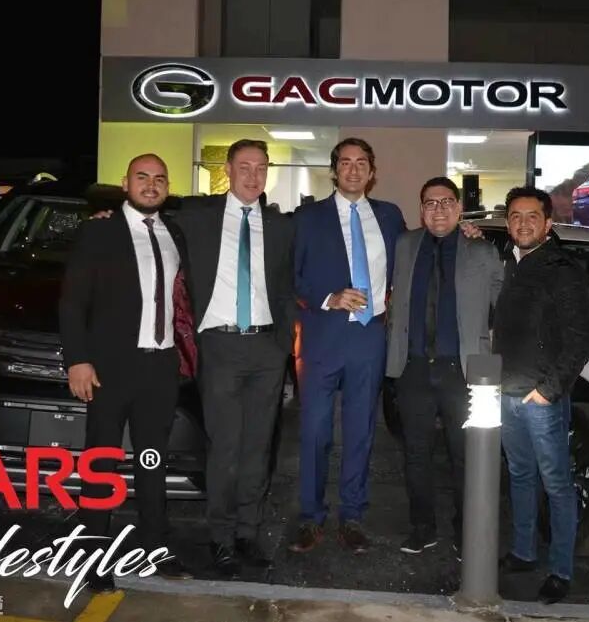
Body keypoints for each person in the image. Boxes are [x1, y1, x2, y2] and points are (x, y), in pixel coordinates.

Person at [59, 154, 192, 592]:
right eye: (142, 177)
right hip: (110, 368)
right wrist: (77, 359)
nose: (151, 185)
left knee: (152, 461)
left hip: (160, 367)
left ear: (167, 187)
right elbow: (73, 301)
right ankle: (92, 557)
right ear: (125, 183)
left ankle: (156, 546)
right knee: (101, 462)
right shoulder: (100, 231)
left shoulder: (175, 233)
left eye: (159, 179)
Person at [175, 139, 296, 578]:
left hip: (266, 348)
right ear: (227, 170)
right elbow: (146, 213)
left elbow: (291, 281)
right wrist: (108, 216)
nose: (252, 175)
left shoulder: (281, 226)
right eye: (244, 166)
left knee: (257, 447)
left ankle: (248, 532)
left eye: (260, 167)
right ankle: (221, 538)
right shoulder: (196, 217)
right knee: (224, 446)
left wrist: (283, 343)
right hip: (220, 346)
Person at [290, 137, 407, 554]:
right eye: (345, 162)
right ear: (334, 170)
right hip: (322, 334)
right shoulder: (308, 218)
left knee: (361, 431)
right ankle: (310, 516)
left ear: (372, 172)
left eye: (361, 163)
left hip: (369, 336)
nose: (353, 170)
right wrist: (328, 297)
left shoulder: (390, 216)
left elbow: (414, 257)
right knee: (315, 430)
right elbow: (290, 275)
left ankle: (352, 516)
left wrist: (464, 232)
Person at [385, 177, 503, 556]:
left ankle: (466, 533)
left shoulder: (482, 251)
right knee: (415, 453)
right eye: (430, 203)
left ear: (459, 208)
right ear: (421, 210)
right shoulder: (405, 245)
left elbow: (504, 304)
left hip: (463, 371)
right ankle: (423, 528)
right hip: (414, 366)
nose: (439, 209)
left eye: (447, 202)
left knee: (464, 455)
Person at [493, 186, 589, 604]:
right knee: (520, 475)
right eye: (515, 216)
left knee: (556, 483)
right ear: (507, 223)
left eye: (532, 216)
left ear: (548, 223)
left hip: (540, 398)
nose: (523, 223)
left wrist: (546, 392)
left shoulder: (563, 269)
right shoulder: (509, 262)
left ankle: (560, 570)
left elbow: (580, 342)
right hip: (506, 392)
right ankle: (523, 551)